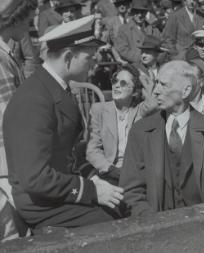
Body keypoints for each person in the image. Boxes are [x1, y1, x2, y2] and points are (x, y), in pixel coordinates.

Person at [3, 16, 124, 229]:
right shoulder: (34, 100)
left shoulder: (53, 87)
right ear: (68, 57)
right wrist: (90, 190)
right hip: (41, 203)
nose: (94, 62)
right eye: (89, 57)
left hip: (59, 189)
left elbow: (68, 153)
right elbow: (35, 178)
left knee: (126, 200)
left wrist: (94, 178)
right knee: (111, 224)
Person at [119, 60, 204, 219]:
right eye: (156, 83)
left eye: (164, 85)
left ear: (186, 90)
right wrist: (150, 220)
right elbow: (131, 190)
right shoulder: (140, 132)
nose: (155, 91)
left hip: (203, 226)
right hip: (155, 227)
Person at [86, 64, 154, 186]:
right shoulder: (99, 110)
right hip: (109, 170)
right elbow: (92, 149)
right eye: (114, 81)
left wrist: (143, 78)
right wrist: (110, 169)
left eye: (123, 83)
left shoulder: (140, 111)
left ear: (135, 92)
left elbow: (154, 104)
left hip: (135, 171)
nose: (116, 85)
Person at [0, 0, 37, 201]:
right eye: (28, 21)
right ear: (15, 20)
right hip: (6, 163)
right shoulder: (1, 59)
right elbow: (10, 117)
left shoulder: (6, 54)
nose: (29, 27)